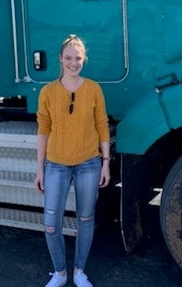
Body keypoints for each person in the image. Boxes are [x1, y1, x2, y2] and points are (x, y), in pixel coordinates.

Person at [34, 34, 111, 287]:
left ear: (84, 59)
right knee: (50, 223)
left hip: (89, 163)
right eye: (68, 58)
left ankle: (79, 271)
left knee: (86, 219)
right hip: (56, 164)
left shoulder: (93, 89)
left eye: (77, 58)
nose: (73, 63)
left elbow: (102, 124)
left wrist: (106, 162)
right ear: (60, 59)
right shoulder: (47, 92)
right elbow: (43, 130)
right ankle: (60, 273)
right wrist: (40, 170)